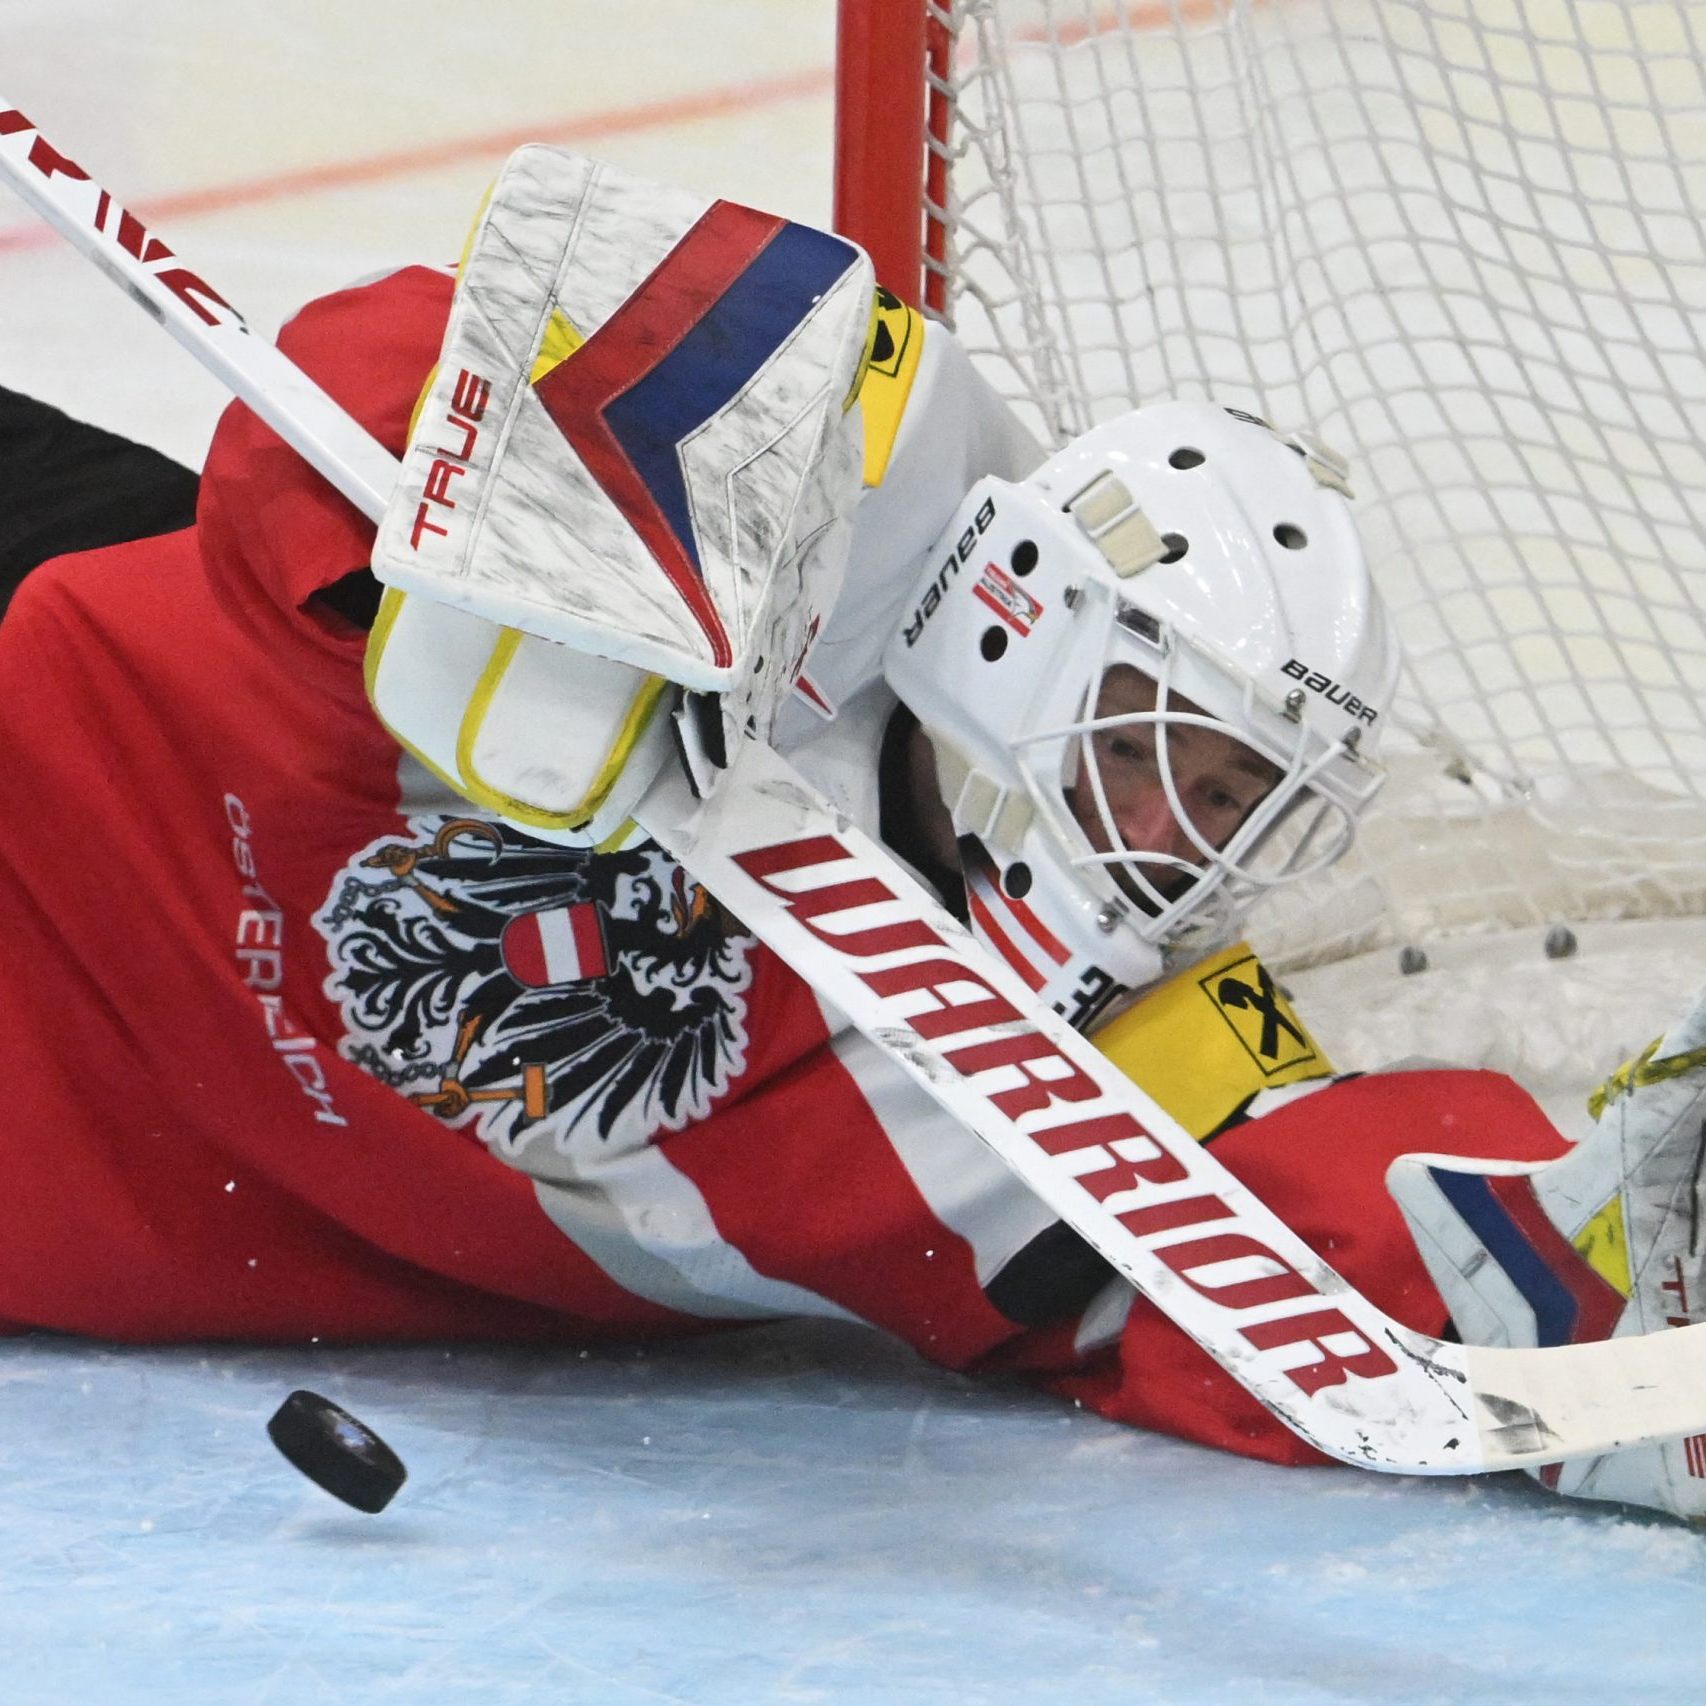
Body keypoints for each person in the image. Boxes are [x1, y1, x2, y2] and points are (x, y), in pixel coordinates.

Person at [1, 148, 1701, 1523]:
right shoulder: (803, 547)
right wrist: (549, 515)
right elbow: (331, 398)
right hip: (67, 690)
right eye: (1152, 755)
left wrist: (1629, 1284)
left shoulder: (1004, 1111)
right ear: (1014, 624)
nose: (1170, 848)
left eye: (1232, 810)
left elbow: (1352, 1239)